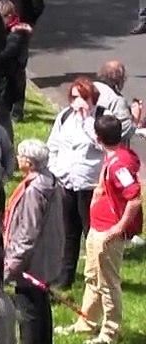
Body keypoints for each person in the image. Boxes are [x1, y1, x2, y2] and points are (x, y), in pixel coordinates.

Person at [56, 115, 143, 344]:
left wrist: (118, 229)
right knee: (92, 276)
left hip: (108, 232)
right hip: (97, 228)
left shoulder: (119, 165)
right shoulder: (114, 157)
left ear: (98, 137)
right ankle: (87, 322)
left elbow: (134, 199)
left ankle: (110, 332)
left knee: (108, 282)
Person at [4, 139, 65, 344]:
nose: (18, 159)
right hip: (48, 252)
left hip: (33, 257)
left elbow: (27, 231)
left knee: (26, 303)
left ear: (29, 163)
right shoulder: (50, 180)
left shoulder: (34, 191)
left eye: (21, 156)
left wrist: (15, 261)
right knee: (41, 299)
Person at [48, 76, 106, 289]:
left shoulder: (101, 118)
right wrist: (56, 170)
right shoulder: (64, 117)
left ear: (92, 99)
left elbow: (104, 146)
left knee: (91, 234)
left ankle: (96, 278)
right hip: (66, 183)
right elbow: (53, 146)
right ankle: (65, 279)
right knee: (68, 232)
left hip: (91, 186)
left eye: (83, 97)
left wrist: (88, 122)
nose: (77, 102)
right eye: (74, 97)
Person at [0, 0, 32, 137]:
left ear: (9, 16)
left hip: (12, 70)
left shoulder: (18, 33)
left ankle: (16, 114)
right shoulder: (9, 30)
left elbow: (5, 53)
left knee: (9, 97)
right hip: (7, 71)